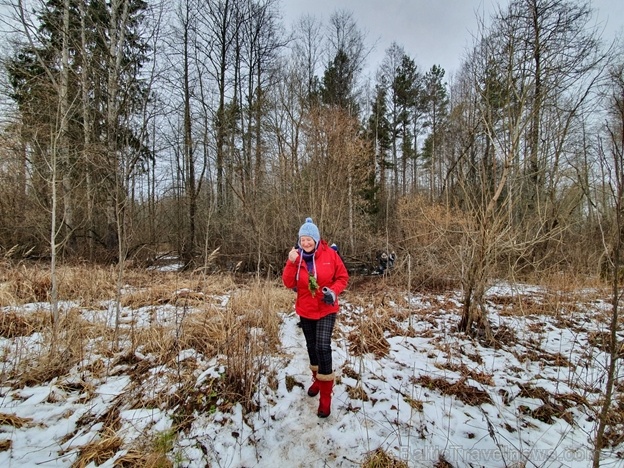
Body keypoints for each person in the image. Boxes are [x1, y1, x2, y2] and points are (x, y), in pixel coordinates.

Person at [282, 217, 349, 418]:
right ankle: (317, 379)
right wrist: (291, 262)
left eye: (309, 239)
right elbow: (287, 282)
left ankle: (326, 398)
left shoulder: (330, 255)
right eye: (302, 239)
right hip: (306, 309)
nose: (306, 243)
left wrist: (334, 292)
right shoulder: (297, 258)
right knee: (311, 347)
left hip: (327, 307)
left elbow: (343, 277)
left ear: (317, 239)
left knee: (322, 345)